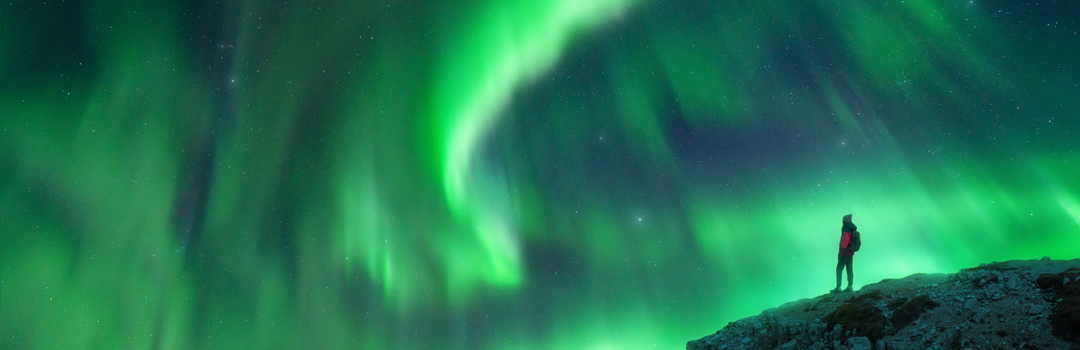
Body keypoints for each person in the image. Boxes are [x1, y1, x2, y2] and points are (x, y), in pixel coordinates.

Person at [831, 214, 857, 293]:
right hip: (851, 252)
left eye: (843, 220)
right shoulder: (852, 228)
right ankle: (850, 286)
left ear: (845, 221)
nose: (842, 221)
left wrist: (840, 255)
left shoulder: (846, 229)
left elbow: (844, 243)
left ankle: (838, 287)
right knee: (849, 269)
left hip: (845, 253)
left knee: (839, 269)